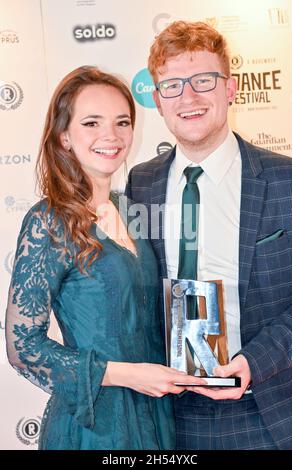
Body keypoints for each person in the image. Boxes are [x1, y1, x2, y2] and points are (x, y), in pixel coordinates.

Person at [5, 65, 204, 450]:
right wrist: (126, 375)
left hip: (156, 416)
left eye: (121, 122)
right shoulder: (50, 220)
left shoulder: (131, 209)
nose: (110, 136)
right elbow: (22, 347)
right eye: (92, 123)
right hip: (96, 424)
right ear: (64, 136)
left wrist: (202, 363)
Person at [125, 21, 292, 450]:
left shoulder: (289, 180)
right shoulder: (139, 183)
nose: (188, 97)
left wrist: (254, 362)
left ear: (231, 89)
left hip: (269, 409)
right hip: (171, 414)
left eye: (204, 80)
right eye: (172, 86)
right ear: (158, 101)